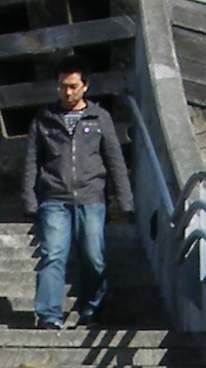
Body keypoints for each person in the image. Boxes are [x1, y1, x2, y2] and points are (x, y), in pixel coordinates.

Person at [20, 68, 130, 330]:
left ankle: (92, 311)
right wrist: (29, 200)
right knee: (53, 255)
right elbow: (31, 161)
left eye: (72, 86)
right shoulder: (44, 119)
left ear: (85, 86)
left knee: (93, 256)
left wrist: (125, 201)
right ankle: (49, 315)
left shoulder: (100, 118)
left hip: (91, 197)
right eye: (61, 86)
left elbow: (114, 160)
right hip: (54, 197)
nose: (66, 92)